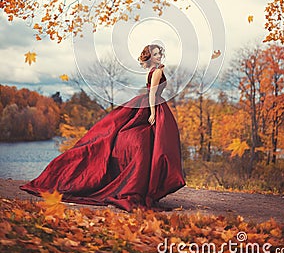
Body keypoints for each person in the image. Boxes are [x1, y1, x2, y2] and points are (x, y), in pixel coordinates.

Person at [20, 44, 185, 212]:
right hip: (152, 105)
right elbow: (152, 94)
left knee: (149, 142)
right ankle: (143, 184)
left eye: (159, 54)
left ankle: (144, 185)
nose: (158, 56)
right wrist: (152, 113)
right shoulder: (157, 71)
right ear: (149, 56)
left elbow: (152, 92)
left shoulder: (157, 70)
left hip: (152, 105)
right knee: (146, 142)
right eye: (155, 54)